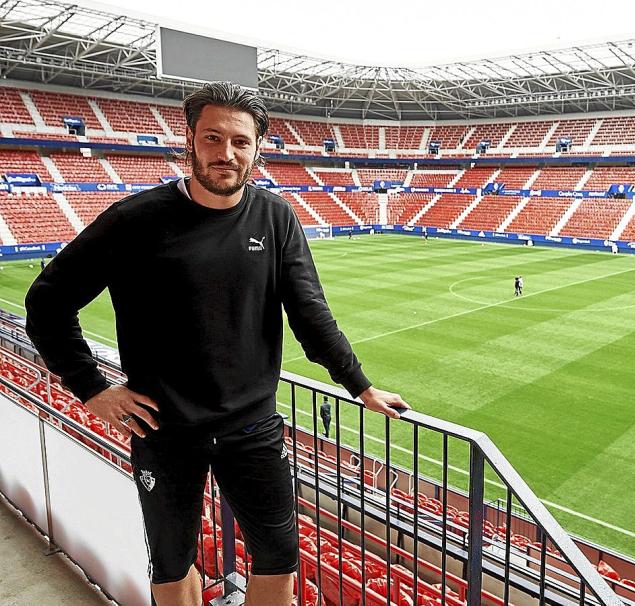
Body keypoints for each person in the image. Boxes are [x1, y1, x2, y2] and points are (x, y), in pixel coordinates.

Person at [24, 81, 409, 606]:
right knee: (171, 560)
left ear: (257, 148)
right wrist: (92, 389)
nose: (225, 154)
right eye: (211, 138)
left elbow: (310, 315)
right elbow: (47, 303)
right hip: (164, 430)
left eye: (239, 141)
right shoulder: (134, 221)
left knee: (278, 556)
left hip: (252, 429)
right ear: (189, 140)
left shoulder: (275, 218)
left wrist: (361, 386)